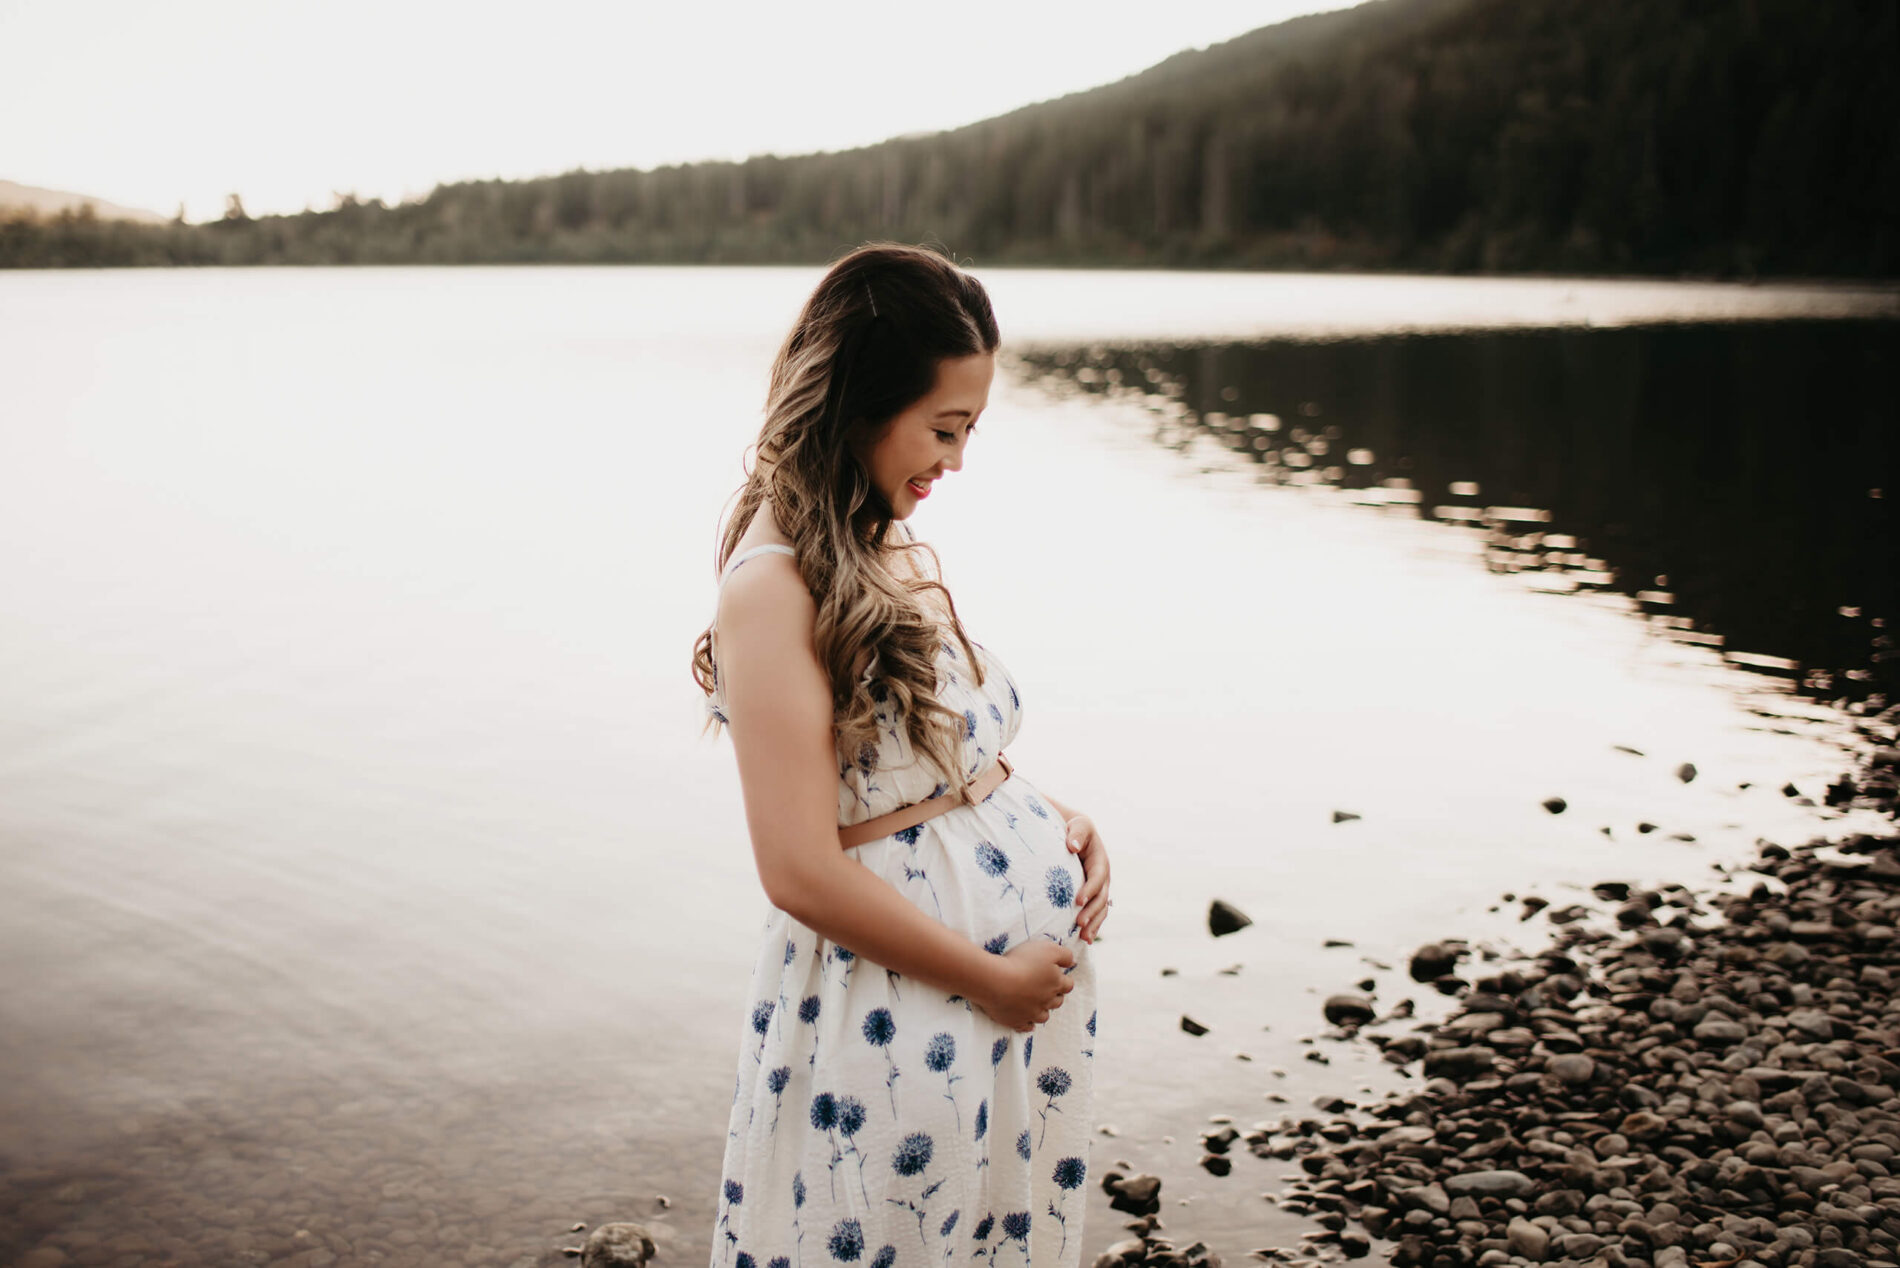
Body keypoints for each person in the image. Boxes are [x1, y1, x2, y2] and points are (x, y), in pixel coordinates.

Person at [690, 242, 1113, 1268]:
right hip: (902, 1006)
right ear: (861, 403)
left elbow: (919, 763)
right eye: (944, 428)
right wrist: (985, 977)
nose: (956, 460)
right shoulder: (772, 585)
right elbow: (797, 864)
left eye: (968, 430)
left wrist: (1047, 813)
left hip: (980, 1005)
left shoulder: (872, 537)